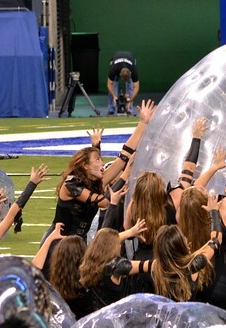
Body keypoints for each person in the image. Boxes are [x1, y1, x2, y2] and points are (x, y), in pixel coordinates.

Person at [48, 100, 155, 242]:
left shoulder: (94, 182)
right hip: (57, 245)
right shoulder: (71, 183)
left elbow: (123, 157)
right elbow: (105, 202)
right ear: (85, 166)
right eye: (98, 160)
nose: (103, 164)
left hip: (77, 244)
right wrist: (125, 175)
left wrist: (143, 124)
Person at [179, 125, 226, 325]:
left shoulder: (180, 222)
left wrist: (212, 167)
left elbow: (189, 192)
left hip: (196, 286)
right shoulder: (222, 214)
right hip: (221, 282)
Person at [107, 50, 140, 115]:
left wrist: (130, 101)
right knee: (114, 85)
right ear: (120, 74)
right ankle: (111, 109)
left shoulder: (133, 70)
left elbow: (136, 87)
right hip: (116, 59)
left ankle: (129, 109)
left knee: (130, 86)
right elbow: (109, 84)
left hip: (130, 58)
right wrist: (114, 96)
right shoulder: (113, 69)